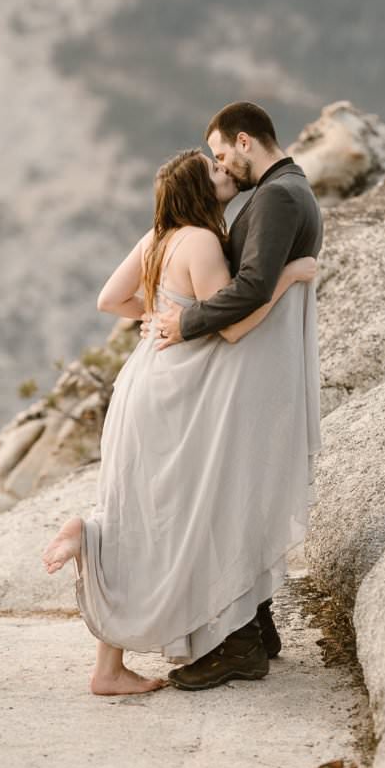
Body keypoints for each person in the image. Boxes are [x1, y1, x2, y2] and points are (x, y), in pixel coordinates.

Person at [42, 145, 318, 696]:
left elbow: (107, 299)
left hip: (138, 383)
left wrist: (152, 313)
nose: (225, 171)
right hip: (177, 395)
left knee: (135, 510)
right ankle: (192, 620)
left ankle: (104, 626)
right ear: (199, 189)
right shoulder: (201, 242)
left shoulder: (158, 237)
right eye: (214, 169)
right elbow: (235, 327)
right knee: (186, 512)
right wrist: (290, 276)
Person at [154, 101, 323, 690]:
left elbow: (252, 286)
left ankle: (241, 644)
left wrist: (186, 321)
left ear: (245, 141)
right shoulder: (289, 189)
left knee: (227, 498)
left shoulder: (277, 196)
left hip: (254, 363)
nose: (222, 165)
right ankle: (258, 626)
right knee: (241, 492)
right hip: (263, 357)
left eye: (224, 153)